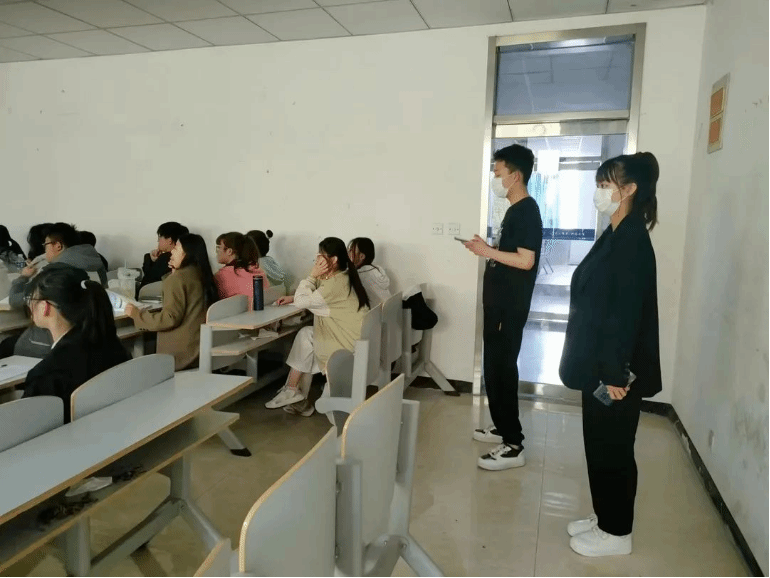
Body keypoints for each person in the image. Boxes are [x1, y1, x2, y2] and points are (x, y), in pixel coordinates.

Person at [559, 152, 662, 558]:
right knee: (599, 443)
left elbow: (625, 315)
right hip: (598, 366)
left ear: (630, 189)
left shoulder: (632, 240)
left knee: (614, 448)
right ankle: (605, 515)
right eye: (599, 184)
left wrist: (616, 375)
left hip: (615, 373)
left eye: (606, 185)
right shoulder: (615, 233)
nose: (599, 192)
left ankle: (617, 533)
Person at [464, 144, 543, 471]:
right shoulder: (514, 210)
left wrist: (487, 252)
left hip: (508, 308)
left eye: (498, 173)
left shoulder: (526, 211)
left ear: (516, 175)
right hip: (498, 306)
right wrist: (490, 248)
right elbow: (512, 254)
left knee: (502, 370)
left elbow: (526, 261)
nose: (495, 179)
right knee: (494, 368)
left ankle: (513, 444)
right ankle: (501, 426)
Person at [265, 237, 370, 417]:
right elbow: (314, 296)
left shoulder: (335, 284)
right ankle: (292, 391)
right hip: (352, 339)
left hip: (346, 347)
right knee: (306, 335)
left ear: (333, 260)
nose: (317, 259)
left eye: (321, 255)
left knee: (308, 343)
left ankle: (294, 394)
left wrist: (311, 276)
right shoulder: (343, 276)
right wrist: (294, 297)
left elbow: (305, 301)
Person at [20, 267, 131, 422]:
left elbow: (27, 425)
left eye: (31, 300)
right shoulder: (117, 348)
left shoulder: (45, 374)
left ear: (45, 307)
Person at [3, 222, 109, 358]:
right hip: (91, 334)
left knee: (6, 344)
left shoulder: (53, 272)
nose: (44, 250)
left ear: (58, 245)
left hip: (54, 340)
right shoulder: (97, 265)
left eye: (46, 245)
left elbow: (15, 300)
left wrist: (23, 277)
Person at [126, 233, 218, 371]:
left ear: (187, 253)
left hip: (178, 355)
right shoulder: (200, 273)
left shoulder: (177, 279)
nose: (172, 252)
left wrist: (136, 315)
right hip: (199, 348)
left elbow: (169, 319)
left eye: (176, 248)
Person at [213, 232, 269, 309]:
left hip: (238, 315)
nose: (217, 251)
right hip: (263, 313)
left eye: (219, 247)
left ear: (229, 251)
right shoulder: (256, 269)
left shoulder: (221, 276)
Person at [139, 222, 189, 292]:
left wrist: (149, 257)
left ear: (170, 240)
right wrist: (153, 260)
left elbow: (147, 280)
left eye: (160, 237)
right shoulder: (184, 257)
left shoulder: (167, 258)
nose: (158, 241)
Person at [347, 237, 392, 308]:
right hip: (389, 310)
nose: (348, 253)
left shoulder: (359, 275)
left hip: (372, 313)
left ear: (361, 256)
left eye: (351, 251)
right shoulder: (378, 269)